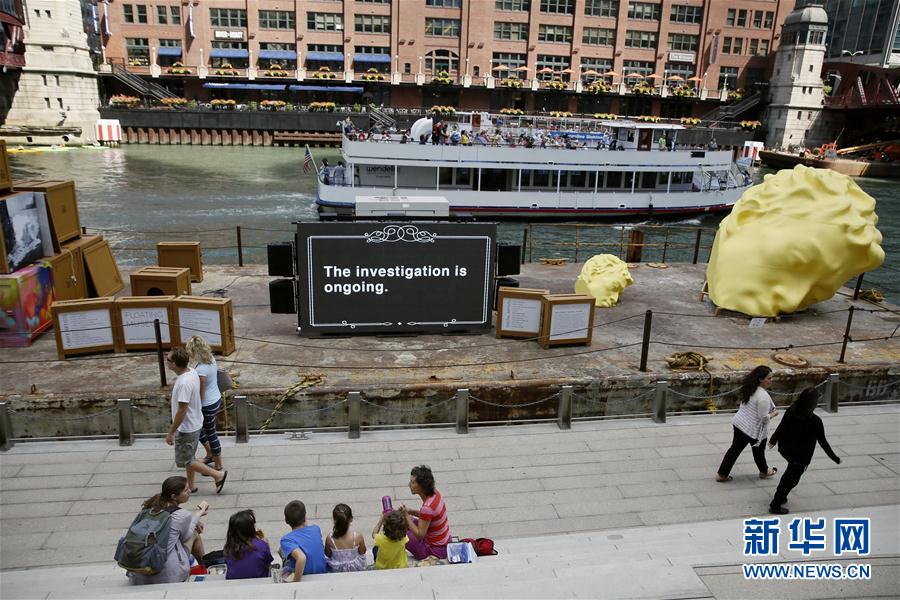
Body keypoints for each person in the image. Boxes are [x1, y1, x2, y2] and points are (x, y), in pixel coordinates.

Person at [767, 388, 841, 514]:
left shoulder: (791, 410)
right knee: (791, 480)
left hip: (786, 450)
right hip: (800, 457)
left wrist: (773, 440)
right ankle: (776, 504)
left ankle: (781, 496)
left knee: (789, 476)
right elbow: (823, 442)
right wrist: (834, 457)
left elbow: (782, 426)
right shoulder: (815, 421)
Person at [166, 347, 227, 494]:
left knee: (186, 460)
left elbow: (182, 410)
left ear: (174, 364)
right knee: (190, 456)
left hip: (187, 427)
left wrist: (171, 432)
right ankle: (191, 485)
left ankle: (217, 475)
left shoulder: (183, 383)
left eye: (168, 359)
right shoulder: (191, 372)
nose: (166, 361)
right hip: (195, 421)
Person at [129, 476, 208, 585]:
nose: (190, 491)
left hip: (138, 575)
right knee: (194, 534)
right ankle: (205, 569)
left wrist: (193, 520)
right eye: (186, 490)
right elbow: (186, 536)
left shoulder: (149, 509)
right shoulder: (181, 515)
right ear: (174, 497)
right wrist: (198, 514)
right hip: (167, 576)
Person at [715, 365, 779, 482]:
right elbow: (764, 418)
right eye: (769, 378)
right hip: (754, 430)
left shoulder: (749, 387)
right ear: (760, 379)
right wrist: (774, 413)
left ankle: (722, 474)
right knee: (759, 452)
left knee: (734, 450)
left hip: (740, 423)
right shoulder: (763, 397)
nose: (771, 381)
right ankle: (764, 471)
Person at [185, 336, 223, 473]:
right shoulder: (211, 359)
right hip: (215, 398)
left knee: (209, 432)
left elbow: (200, 393)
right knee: (203, 430)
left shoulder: (200, 370)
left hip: (206, 404)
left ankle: (218, 463)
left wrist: (196, 408)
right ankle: (210, 454)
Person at [400, 465, 451, 560]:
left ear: (421, 486)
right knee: (402, 521)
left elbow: (420, 535)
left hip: (434, 551)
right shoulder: (435, 493)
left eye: (412, 482)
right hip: (444, 541)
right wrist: (411, 512)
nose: (409, 485)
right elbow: (429, 517)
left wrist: (406, 516)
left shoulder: (427, 508)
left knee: (398, 531)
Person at [279, 500, 326, 582]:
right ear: (305, 516)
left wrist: (296, 582)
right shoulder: (316, 529)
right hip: (322, 571)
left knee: (282, 551)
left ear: (286, 521)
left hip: (303, 573)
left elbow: (301, 558)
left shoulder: (286, 540)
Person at [224, 509, 274, 579]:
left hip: (233, 583)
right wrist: (266, 544)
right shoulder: (261, 545)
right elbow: (268, 562)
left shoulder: (229, 547)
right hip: (260, 582)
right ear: (250, 529)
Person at [324, 504, 366, 572]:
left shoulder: (330, 538)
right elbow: (362, 551)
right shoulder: (358, 536)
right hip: (355, 568)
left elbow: (327, 554)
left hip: (336, 569)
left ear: (334, 521)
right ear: (351, 519)